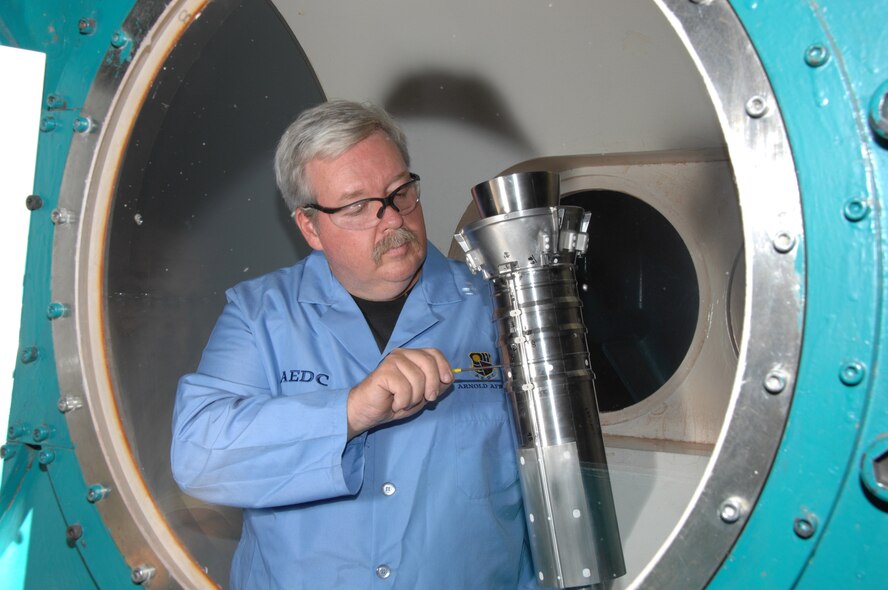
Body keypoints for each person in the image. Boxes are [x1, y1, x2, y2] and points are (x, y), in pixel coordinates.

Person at [171, 100, 535, 589]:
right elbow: (199, 458)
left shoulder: (498, 308)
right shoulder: (260, 316)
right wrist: (348, 412)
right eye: (358, 206)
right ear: (309, 227)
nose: (391, 220)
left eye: (400, 192)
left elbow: (556, 485)